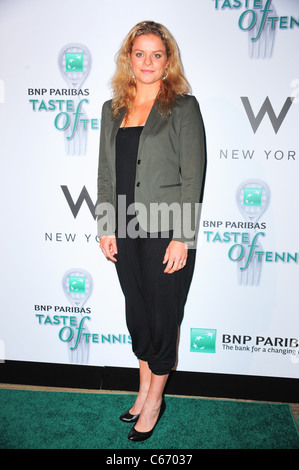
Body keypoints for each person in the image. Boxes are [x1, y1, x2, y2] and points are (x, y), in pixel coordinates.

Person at [96, 20, 206, 442]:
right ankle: (143, 391)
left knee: (162, 319)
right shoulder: (112, 109)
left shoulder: (182, 107)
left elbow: (193, 177)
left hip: (166, 232)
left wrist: (184, 236)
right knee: (137, 314)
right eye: (139, 53)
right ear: (129, 58)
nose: (147, 62)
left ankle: (156, 401)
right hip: (123, 227)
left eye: (156, 54)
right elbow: (106, 174)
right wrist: (107, 225)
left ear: (167, 60)